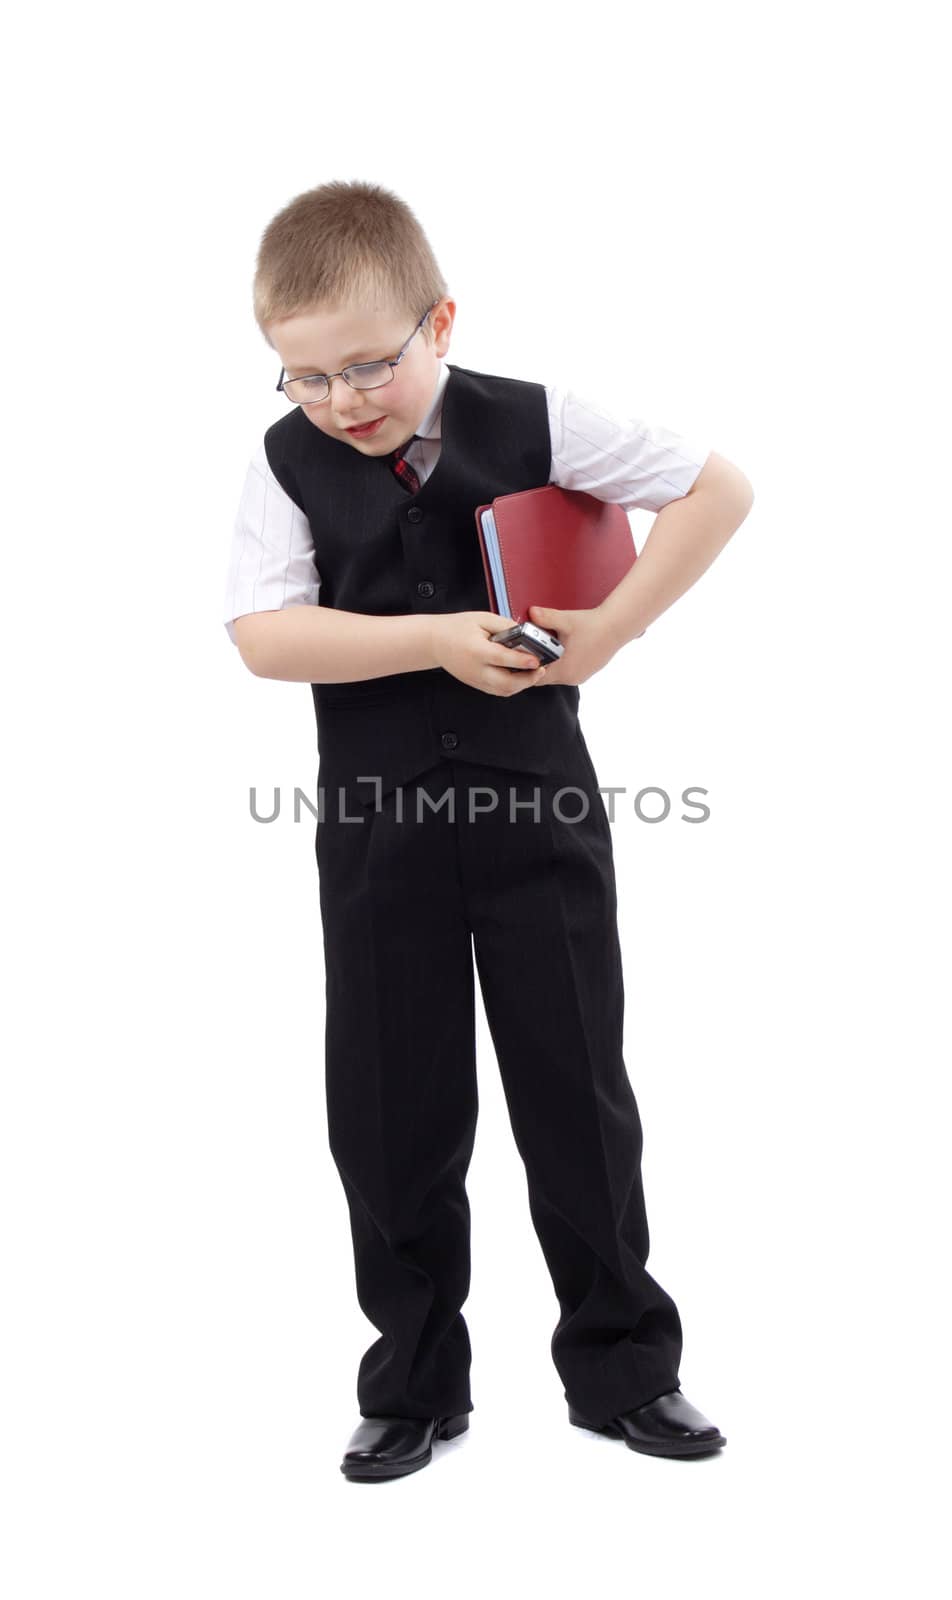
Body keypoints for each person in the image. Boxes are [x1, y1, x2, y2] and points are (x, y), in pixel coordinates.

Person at [223, 179, 754, 1483]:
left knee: (577, 1092)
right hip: (376, 835)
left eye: (368, 364)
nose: (342, 401)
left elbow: (717, 490)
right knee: (393, 1111)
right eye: (304, 377)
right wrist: (433, 643)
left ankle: (625, 1367)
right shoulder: (282, 464)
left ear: (440, 321)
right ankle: (413, 1382)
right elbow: (265, 637)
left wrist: (609, 633)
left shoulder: (538, 418)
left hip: (541, 821)